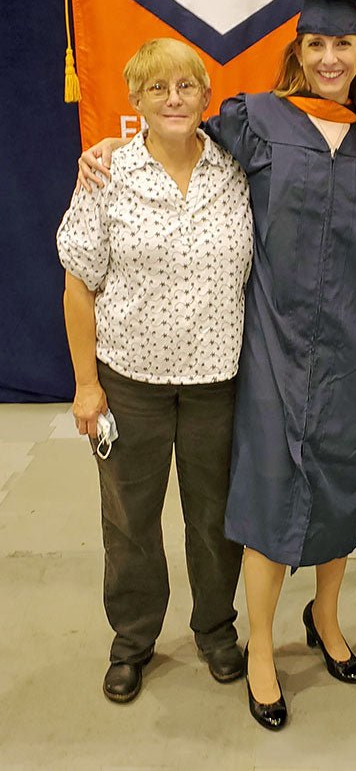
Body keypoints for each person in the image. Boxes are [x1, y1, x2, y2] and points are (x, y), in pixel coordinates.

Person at [78, 0, 356, 730]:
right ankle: (258, 646)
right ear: (298, 50)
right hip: (273, 352)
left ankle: (324, 618)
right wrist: (108, 150)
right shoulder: (255, 120)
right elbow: (171, 133)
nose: (327, 56)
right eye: (315, 43)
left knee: (343, 488)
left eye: (341, 43)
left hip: (353, 354)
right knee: (265, 496)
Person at [57, 38, 253, 703]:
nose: (174, 99)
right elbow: (78, 284)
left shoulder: (237, 168)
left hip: (217, 385)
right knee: (130, 520)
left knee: (216, 516)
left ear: (205, 95)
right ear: (135, 99)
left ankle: (216, 629)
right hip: (130, 384)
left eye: (187, 86)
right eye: (158, 88)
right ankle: (133, 640)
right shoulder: (106, 175)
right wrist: (87, 385)